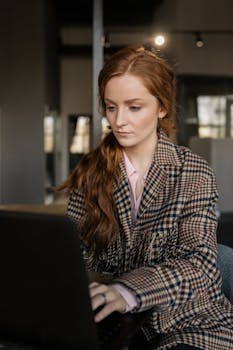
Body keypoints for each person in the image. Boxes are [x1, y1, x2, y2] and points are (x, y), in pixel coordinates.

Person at [59, 46, 233, 349]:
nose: (119, 121)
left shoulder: (193, 172)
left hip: (189, 322)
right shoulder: (90, 172)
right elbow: (73, 256)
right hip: (118, 324)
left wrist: (126, 290)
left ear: (161, 108)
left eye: (134, 107)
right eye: (111, 107)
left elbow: (200, 266)